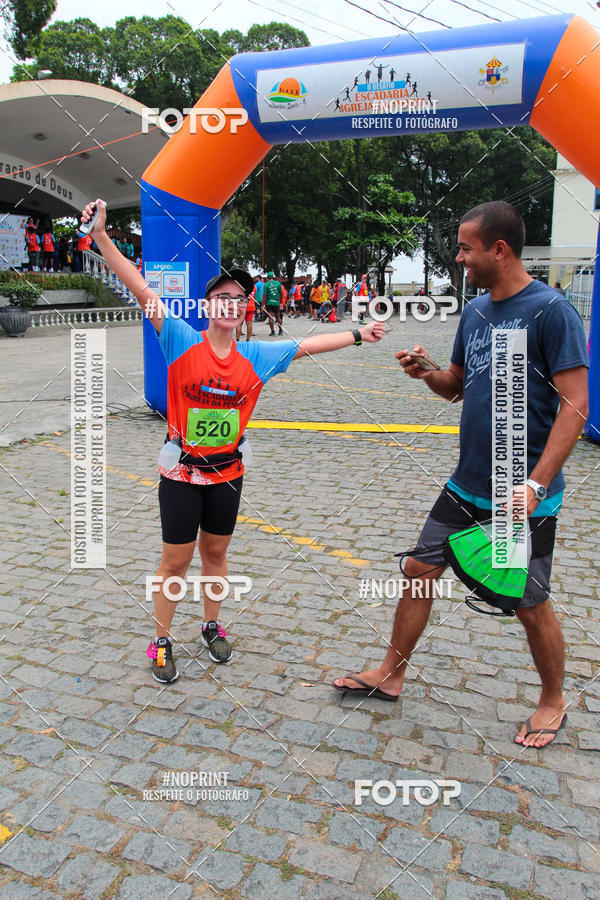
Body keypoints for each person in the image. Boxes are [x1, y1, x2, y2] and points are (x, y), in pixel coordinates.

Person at [80, 199, 383, 682]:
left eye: (239, 297)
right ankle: (160, 641)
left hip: (227, 473)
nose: (230, 302)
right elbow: (141, 288)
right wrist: (99, 236)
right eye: (221, 294)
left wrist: (359, 334)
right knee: (175, 562)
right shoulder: (179, 338)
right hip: (180, 473)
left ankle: (211, 625)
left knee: (216, 555)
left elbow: (307, 345)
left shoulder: (258, 356)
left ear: (244, 309)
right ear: (206, 306)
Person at [334, 200, 589, 750]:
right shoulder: (474, 312)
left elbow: (576, 404)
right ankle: (392, 673)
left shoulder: (551, 311)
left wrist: (536, 485)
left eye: (466, 248)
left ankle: (553, 701)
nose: (459, 257)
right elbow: (456, 386)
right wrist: (426, 372)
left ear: (499, 249)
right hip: (467, 482)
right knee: (420, 569)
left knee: (527, 600)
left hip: (521, 492)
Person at [262, 271, 283, 335]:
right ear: (273, 277)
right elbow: (281, 294)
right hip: (276, 302)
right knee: (278, 317)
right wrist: (281, 302)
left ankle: (273, 331)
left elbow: (265, 296)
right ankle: (280, 330)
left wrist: (262, 304)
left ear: (268, 277)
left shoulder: (266, 285)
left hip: (269, 303)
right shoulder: (278, 284)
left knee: (270, 317)